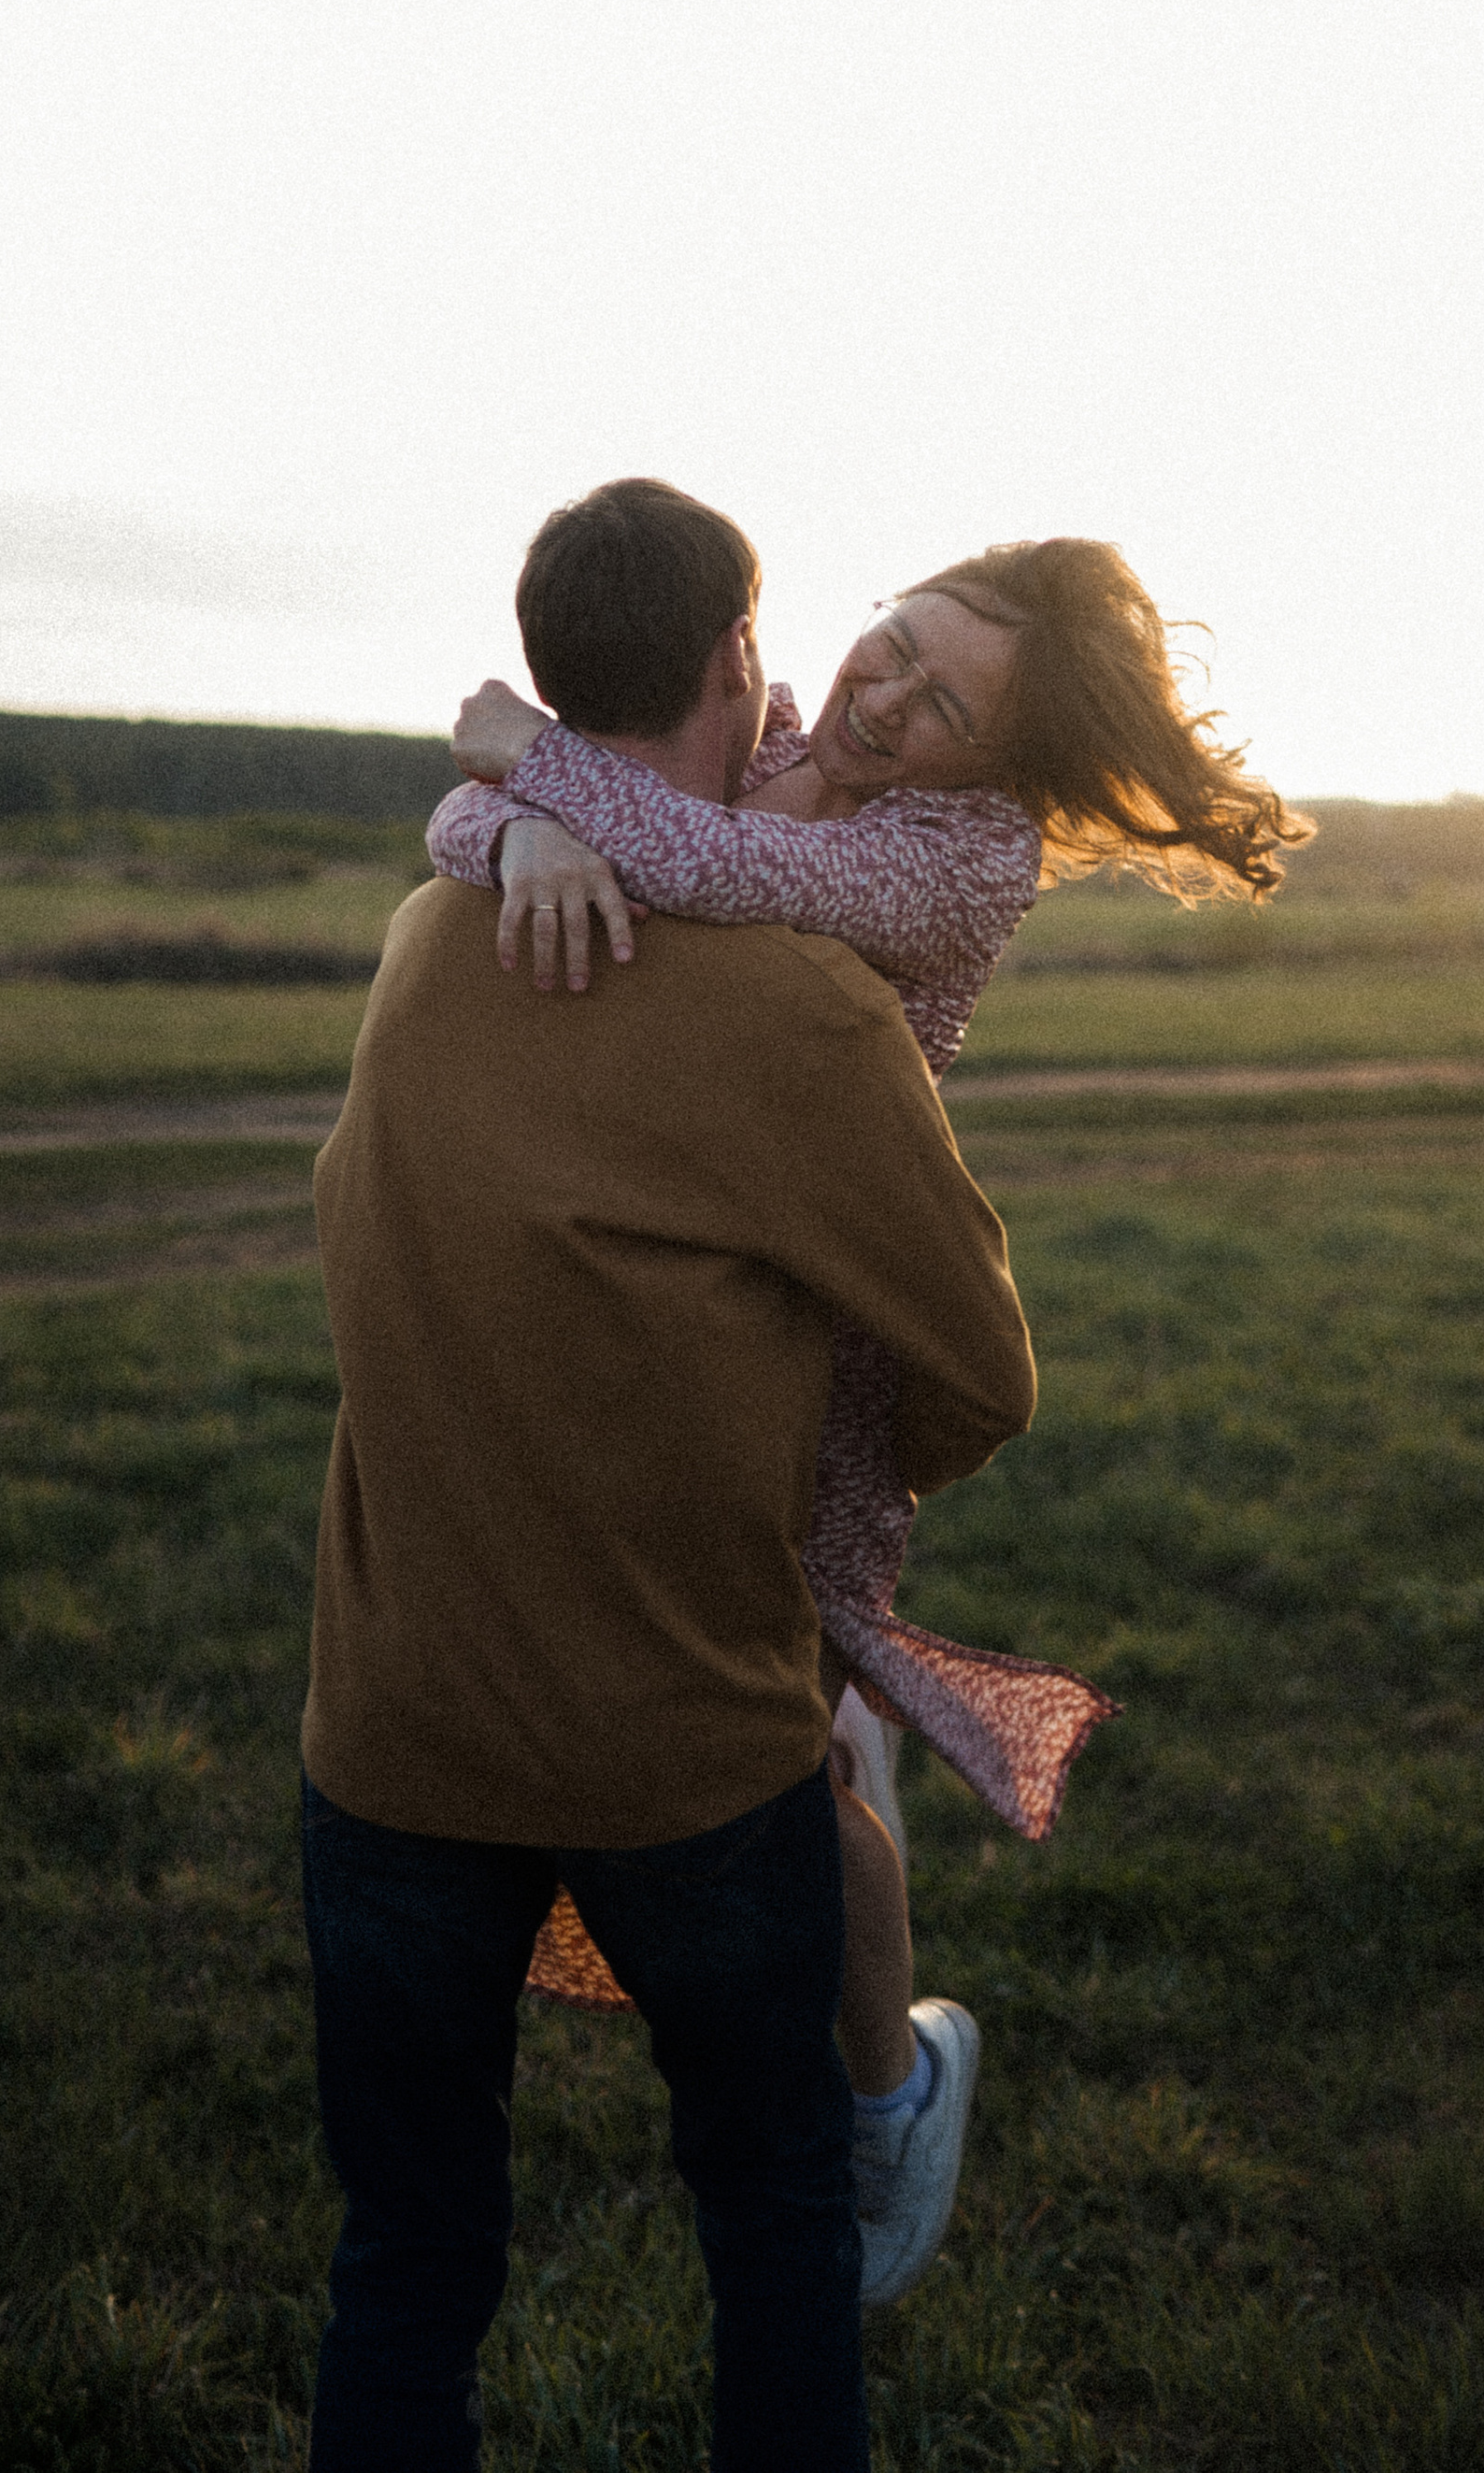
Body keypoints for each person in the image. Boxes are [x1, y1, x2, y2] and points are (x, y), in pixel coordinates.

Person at [427, 530, 1307, 2247]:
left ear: (1004, 762)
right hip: (675, 1282)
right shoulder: (771, 751)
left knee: (785, 1758)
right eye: (895, 642)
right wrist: (520, 818)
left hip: (816, 1340)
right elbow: (470, 836)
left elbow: (701, 871)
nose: (884, 696)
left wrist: (532, 770)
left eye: (945, 699)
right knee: (729, 1707)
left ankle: (893, 2088)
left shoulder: (959, 853)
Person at [300, 477, 1037, 2473]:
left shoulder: (424, 938)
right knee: (773, 2233)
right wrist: (825, 1474)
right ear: (736, 659)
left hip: (388, 1731)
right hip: (683, 1745)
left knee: (408, 2259)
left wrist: (527, 803)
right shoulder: (796, 1000)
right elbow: (978, 1361)